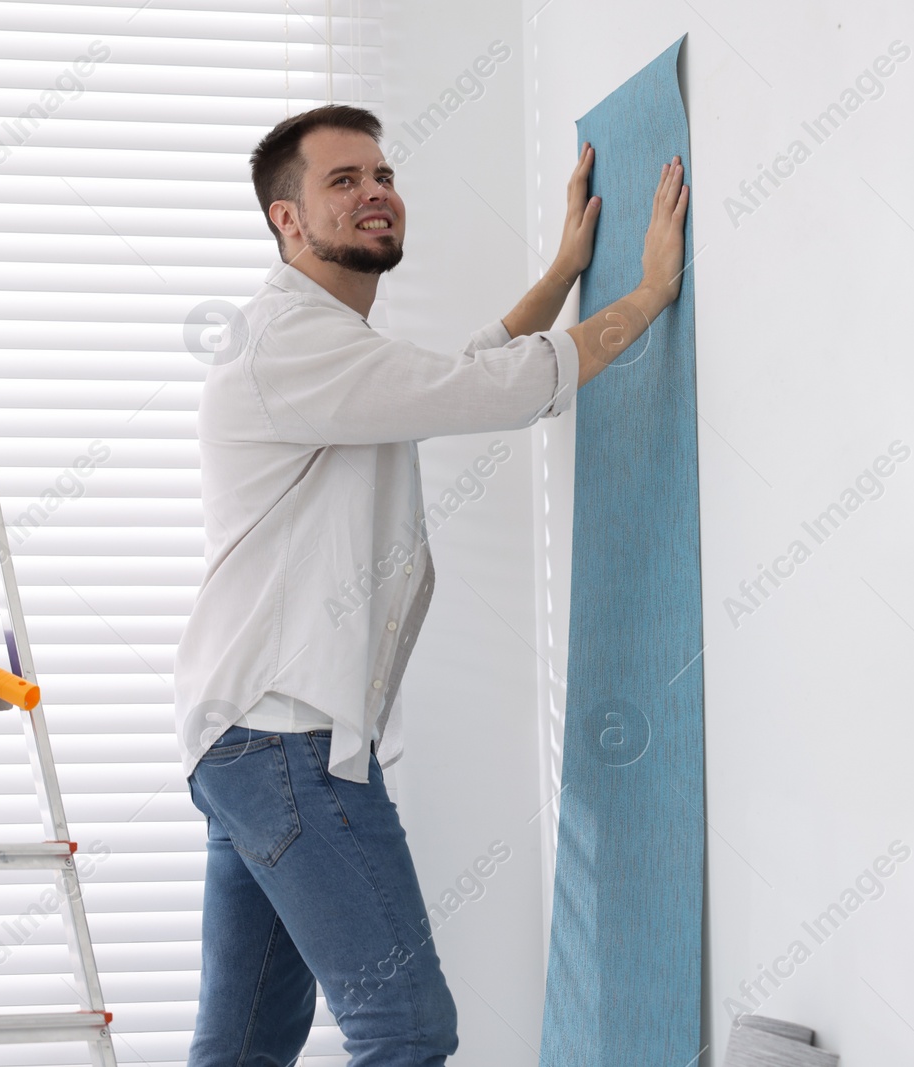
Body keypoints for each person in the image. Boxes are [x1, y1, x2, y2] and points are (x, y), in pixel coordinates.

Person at [175, 103, 688, 1065]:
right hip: (285, 741)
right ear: (286, 221)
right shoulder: (291, 345)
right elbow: (483, 392)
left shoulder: (327, 349)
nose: (376, 192)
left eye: (382, 174)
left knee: (242, 1049)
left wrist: (565, 276)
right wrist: (651, 293)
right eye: (342, 180)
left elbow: (453, 373)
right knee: (406, 1028)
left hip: (250, 740)